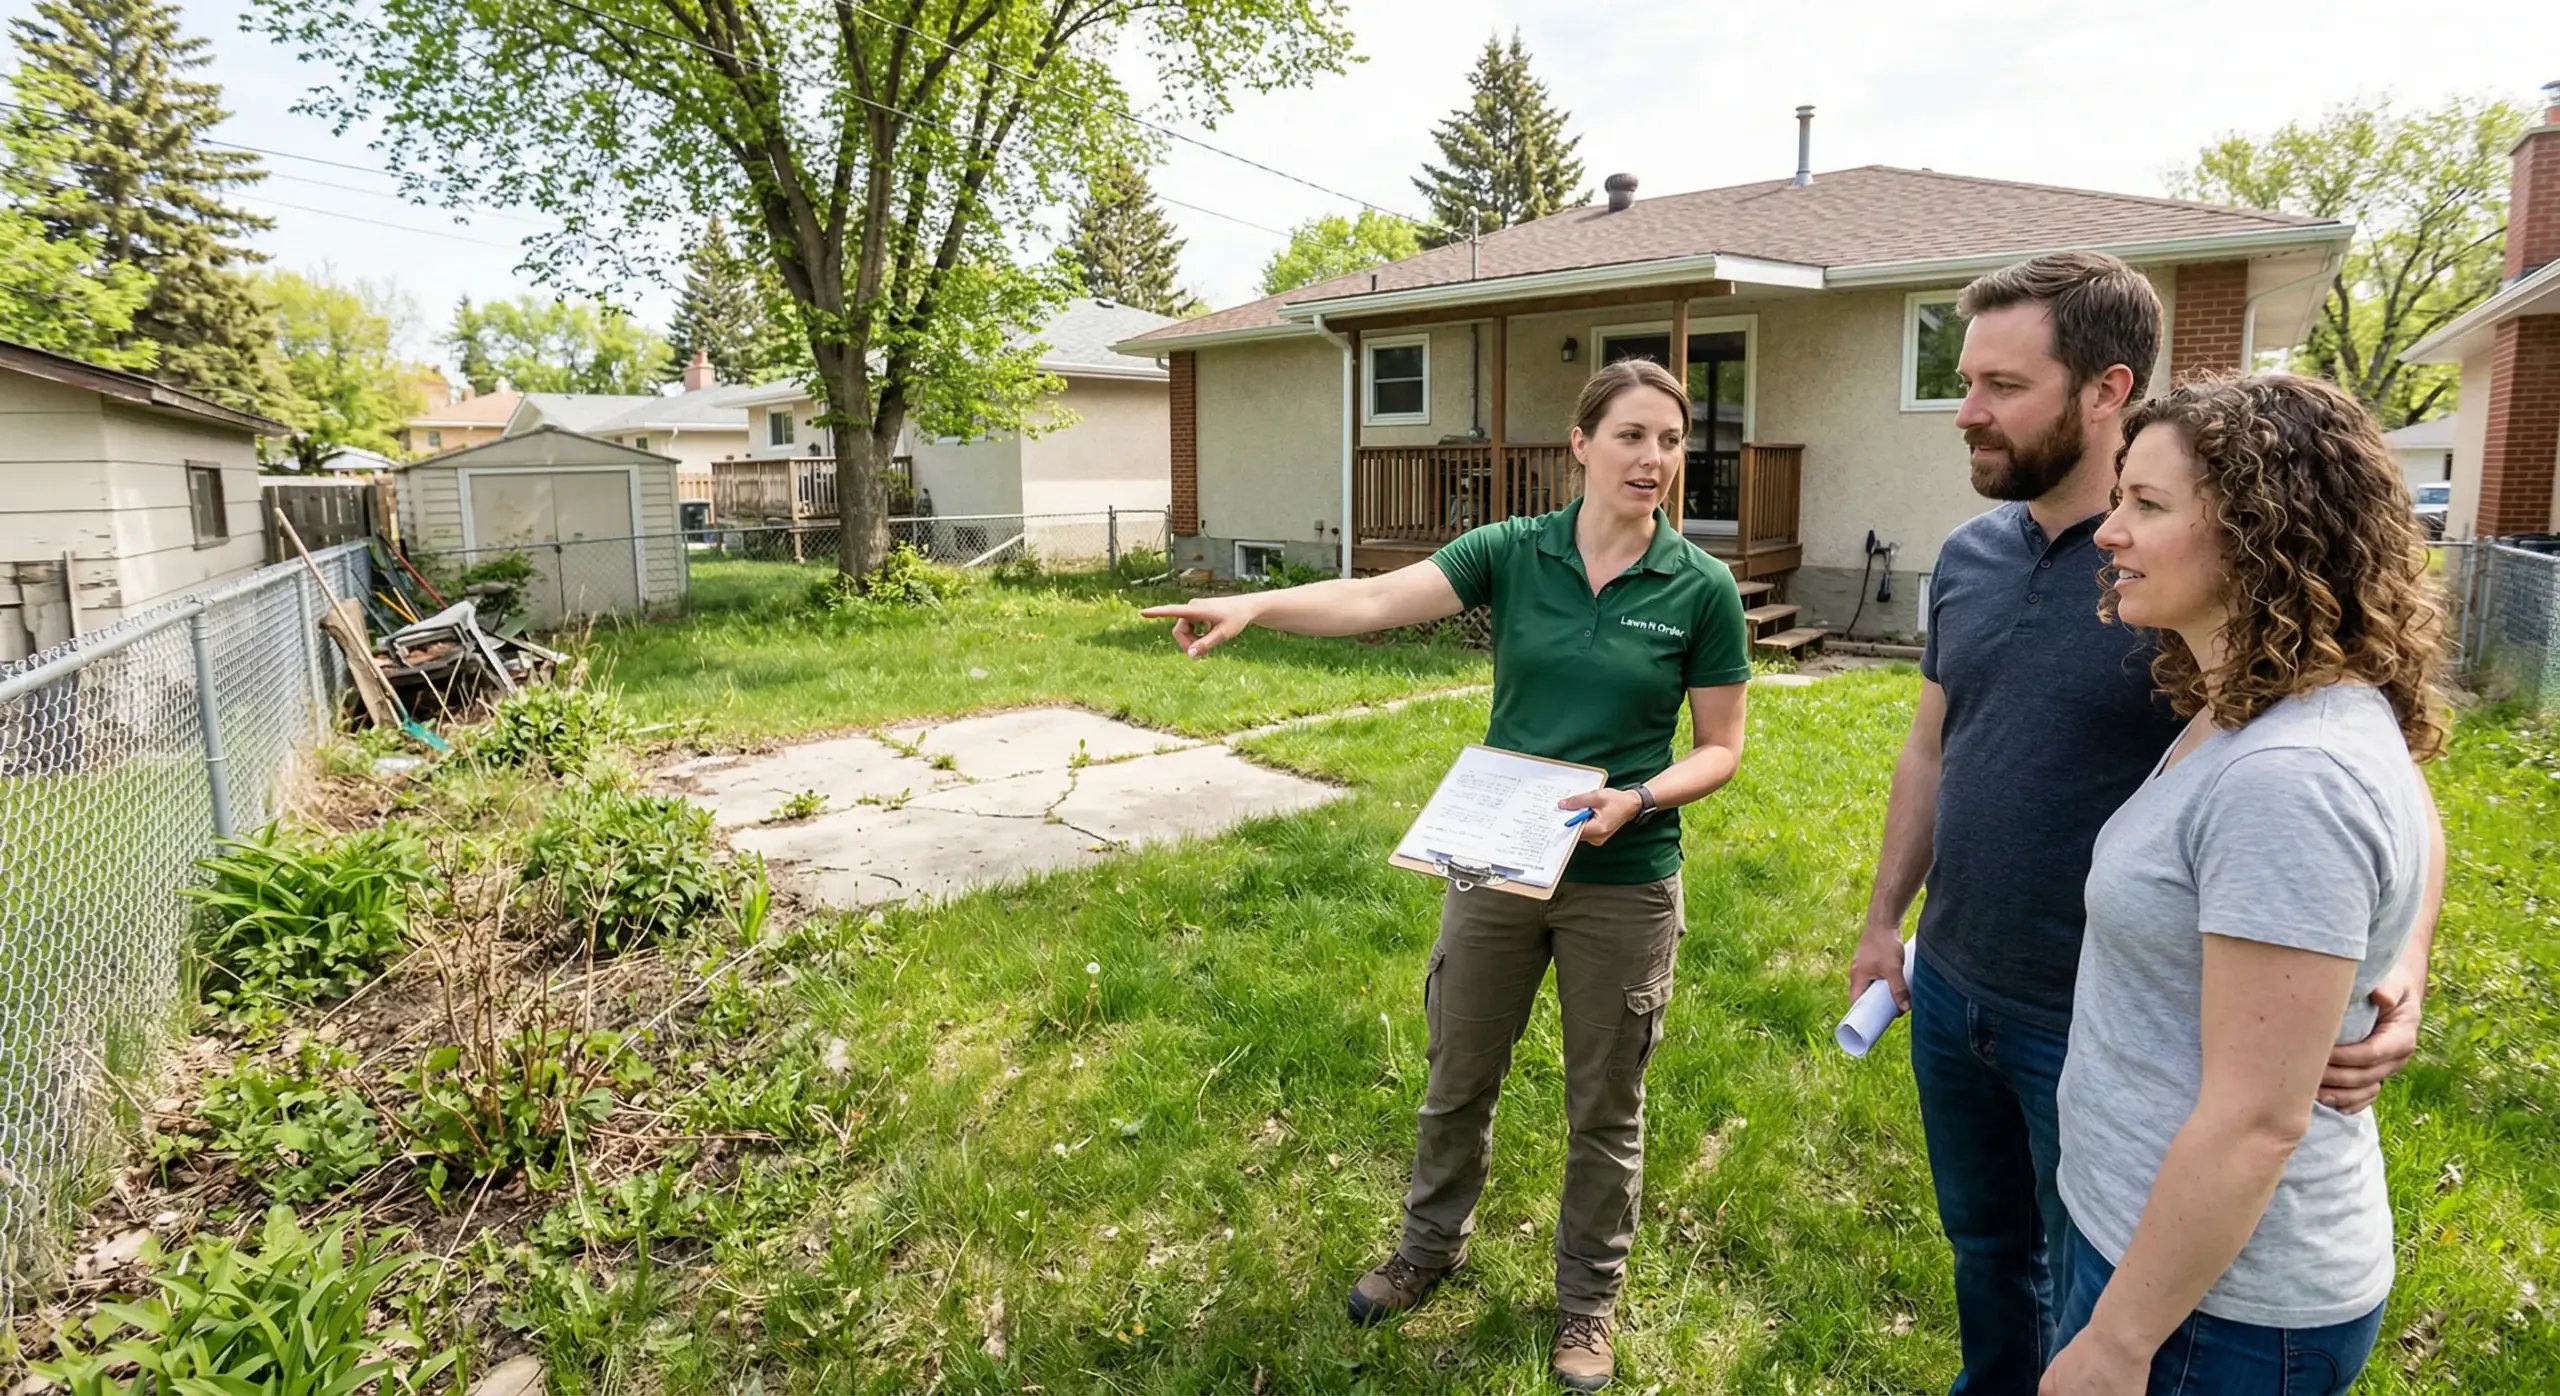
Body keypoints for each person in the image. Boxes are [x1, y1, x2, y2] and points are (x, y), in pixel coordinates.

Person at [1844, 251, 2441, 1392]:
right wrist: (1887, 919)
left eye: (2003, 385)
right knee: (1992, 1255)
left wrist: (2391, 973)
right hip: (1955, 982)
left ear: (2104, 390)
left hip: (2107, 1021)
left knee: (2107, 1290)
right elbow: (1932, 745)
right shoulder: (1981, 561)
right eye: (1963, 382)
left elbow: (2383, 800)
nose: (1966, 411)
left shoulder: (2212, 615)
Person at [1142, 358, 1753, 1392]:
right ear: (1581, 444)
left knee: (1605, 1103)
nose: (1652, 459)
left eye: (1669, 440)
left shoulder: (1700, 586)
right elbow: (1378, 598)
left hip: (1625, 877)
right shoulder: (1514, 550)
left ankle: (1586, 1301)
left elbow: (1720, 747)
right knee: (1458, 1072)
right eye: (1631, 436)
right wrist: (1258, 605)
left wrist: (1638, 797)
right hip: (1499, 861)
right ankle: (1428, 1249)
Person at [2041, 373, 2445, 1395]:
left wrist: (2117, 1343)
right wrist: (2403, 958)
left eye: (2147, 504)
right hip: (2152, 1250)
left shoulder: (2290, 774)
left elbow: (2256, 1121)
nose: (2108, 531)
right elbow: (2406, 812)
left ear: (2262, 533)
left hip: (2210, 1314)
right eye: (2118, 498)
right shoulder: (2251, 710)